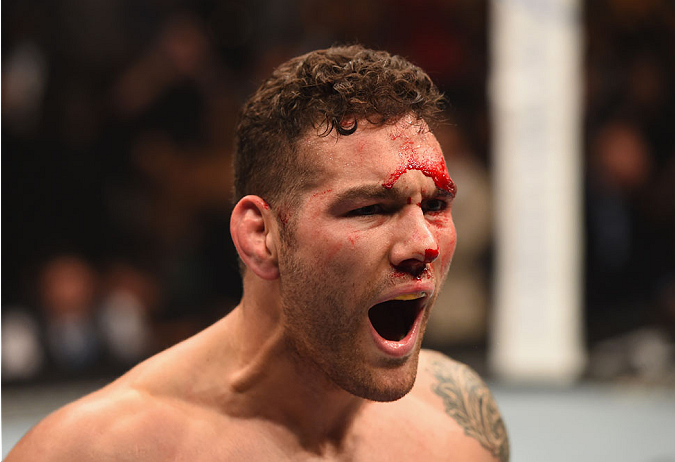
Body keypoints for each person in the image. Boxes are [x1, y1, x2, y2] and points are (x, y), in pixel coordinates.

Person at [7, 44, 509, 461]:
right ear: (260, 235)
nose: (423, 242)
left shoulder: (457, 422)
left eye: (437, 205)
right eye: (372, 208)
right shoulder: (94, 452)